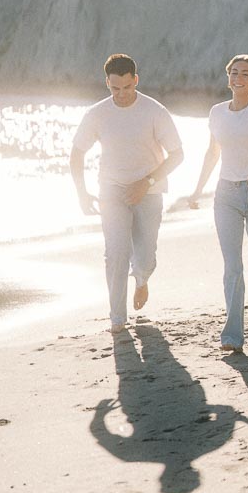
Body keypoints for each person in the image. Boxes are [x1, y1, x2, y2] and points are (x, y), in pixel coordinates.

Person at [71, 54, 184, 333]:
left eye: (126, 87)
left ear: (136, 80)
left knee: (146, 256)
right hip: (111, 190)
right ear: (107, 83)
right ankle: (117, 319)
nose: (121, 94)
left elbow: (178, 155)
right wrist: (82, 194)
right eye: (114, 89)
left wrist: (145, 182)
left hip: (149, 190)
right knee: (116, 253)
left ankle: (142, 279)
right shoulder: (97, 113)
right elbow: (77, 154)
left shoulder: (154, 111)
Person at [188, 54, 248, 352]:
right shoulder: (217, 112)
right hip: (226, 195)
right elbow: (211, 154)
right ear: (227, 76)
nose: (237, 77)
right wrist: (196, 191)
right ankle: (232, 336)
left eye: (245, 73)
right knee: (232, 267)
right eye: (233, 72)